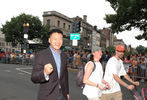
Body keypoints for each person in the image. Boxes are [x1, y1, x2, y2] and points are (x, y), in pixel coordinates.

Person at [31, 29, 69, 100]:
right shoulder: (41, 55)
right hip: (48, 96)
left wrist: (67, 92)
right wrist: (45, 73)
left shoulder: (64, 56)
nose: (58, 42)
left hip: (62, 95)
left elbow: (65, 76)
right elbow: (34, 78)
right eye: (55, 39)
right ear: (49, 40)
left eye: (60, 39)